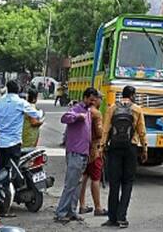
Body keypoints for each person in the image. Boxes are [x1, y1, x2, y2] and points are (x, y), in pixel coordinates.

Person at [100, 85, 147, 228]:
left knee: (114, 183)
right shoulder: (137, 110)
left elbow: (106, 129)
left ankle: (112, 218)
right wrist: (144, 148)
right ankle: (122, 217)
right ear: (132, 95)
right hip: (130, 148)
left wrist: (102, 147)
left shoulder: (112, 108)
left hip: (114, 148)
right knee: (127, 182)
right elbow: (141, 131)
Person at [55, 87, 99, 223]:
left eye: (94, 100)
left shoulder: (89, 112)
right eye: (90, 100)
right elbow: (64, 118)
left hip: (84, 153)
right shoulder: (77, 109)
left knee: (78, 184)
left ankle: (72, 211)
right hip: (75, 152)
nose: (92, 103)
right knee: (70, 184)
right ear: (85, 98)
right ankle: (61, 212)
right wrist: (77, 117)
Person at [0, 80, 43, 195]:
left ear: (7, 89)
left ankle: (3, 197)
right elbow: (36, 115)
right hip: (14, 143)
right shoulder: (21, 102)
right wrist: (40, 112)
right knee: (12, 172)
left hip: (1, 144)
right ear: (18, 90)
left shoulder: (0, 103)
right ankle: (13, 191)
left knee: (1, 172)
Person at [79, 91, 106, 216]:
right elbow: (100, 133)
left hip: (83, 149)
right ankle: (98, 207)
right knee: (95, 178)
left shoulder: (83, 110)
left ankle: (82, 205)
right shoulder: (96, 113)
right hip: (94, 149)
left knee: (83, 178)